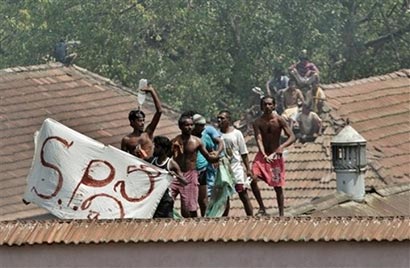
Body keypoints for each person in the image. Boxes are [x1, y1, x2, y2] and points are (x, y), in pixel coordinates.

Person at [252, 96, 296, 216]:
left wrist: (281, 147)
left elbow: (292, 136)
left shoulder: (279, 120)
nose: (267, 107)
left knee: (277, 186)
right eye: (265, 104)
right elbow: (258, 138)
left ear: (274, 106)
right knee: (252, 178)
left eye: (270, 104)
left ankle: (281, 213)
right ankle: (262, 208)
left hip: (276, 155)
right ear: (261, 107)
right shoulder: (258, 122)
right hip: (263, 155)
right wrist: (263, 153)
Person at [170, 115, 219, 218]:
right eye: (186, 125)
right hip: (176, 175)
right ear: (180, 126)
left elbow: (208, 157)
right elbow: (166, 157)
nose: (189, 127)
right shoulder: (175, 141)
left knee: (189, 208)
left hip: (190, 175)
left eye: (191, 125)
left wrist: (218, 157)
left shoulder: (197, 141)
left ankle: (195, 227)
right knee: (167, 200)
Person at [217, 110, 253, 216]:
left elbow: (244, 152)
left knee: (243, 194)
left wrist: (248, 169)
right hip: (223, 169)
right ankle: (225, 220)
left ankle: (251, 218)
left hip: (236, 168)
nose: (219, 120)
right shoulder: (216, 134)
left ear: (229, 120)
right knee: (225, 197)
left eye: (222, 118)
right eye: (218, 118)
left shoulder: (237, 133)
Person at [191, 114, 224, 217]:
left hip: (203, 170)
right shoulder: (188, 137)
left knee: (203, 199)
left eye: (203, 125)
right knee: (191, 200)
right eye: (200, 125)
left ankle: (206, 219)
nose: (203, 127)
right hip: (190, 171)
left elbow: (212, 149)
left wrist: (216, 156)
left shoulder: (205, 136)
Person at [121, 83, 162, 160]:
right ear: (132, 122)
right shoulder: (126, 140)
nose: (142, 123)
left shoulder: (148, 133)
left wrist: (152, 91)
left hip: (149, 167)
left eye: (143, 120)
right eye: (139, 121)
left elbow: (159, 111)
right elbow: (123, 158)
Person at [151, 136, 187, 218]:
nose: (154, 149)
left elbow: (184, 182)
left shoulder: (171, 164)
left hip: (165, 199)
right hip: (153, 198)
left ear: (164, 149)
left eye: (157, 147)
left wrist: (175, 175)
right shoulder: (152, 161)